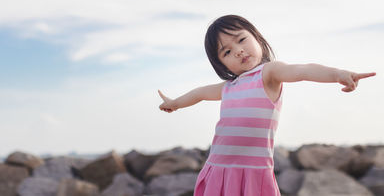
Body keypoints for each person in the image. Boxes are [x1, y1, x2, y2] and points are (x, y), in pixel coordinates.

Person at [157, 15, 376, 196]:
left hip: (253, 172)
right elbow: (199, 94)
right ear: (221, 64)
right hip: (218, 169)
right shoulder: (229, 87)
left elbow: (303, 70)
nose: (238, 51)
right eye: (227, 52)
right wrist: (175, 103)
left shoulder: (269, 73)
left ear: (257, 39)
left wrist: (338, 74)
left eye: (241, 40)